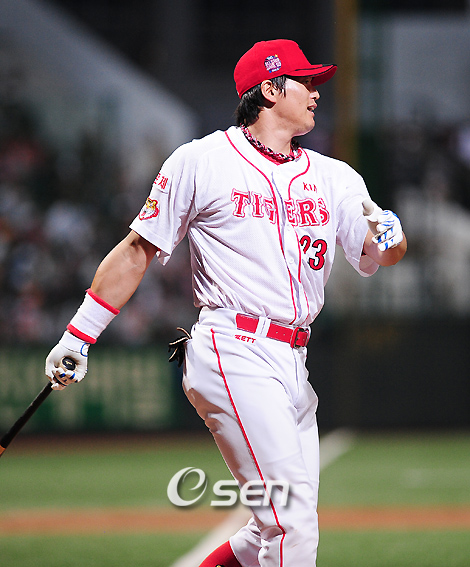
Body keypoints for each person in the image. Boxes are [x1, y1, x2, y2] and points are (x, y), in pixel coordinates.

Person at [45, 39, 407, 567]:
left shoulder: (335, 177)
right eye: (305, 82)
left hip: (294, 361)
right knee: (291, 523)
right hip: (233, 348)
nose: (316, 92)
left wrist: (392, 238)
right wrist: (78, 335)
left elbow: (382, 249)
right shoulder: (202, 161)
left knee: (269, 528)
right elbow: (137, 250)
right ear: (269, 89)